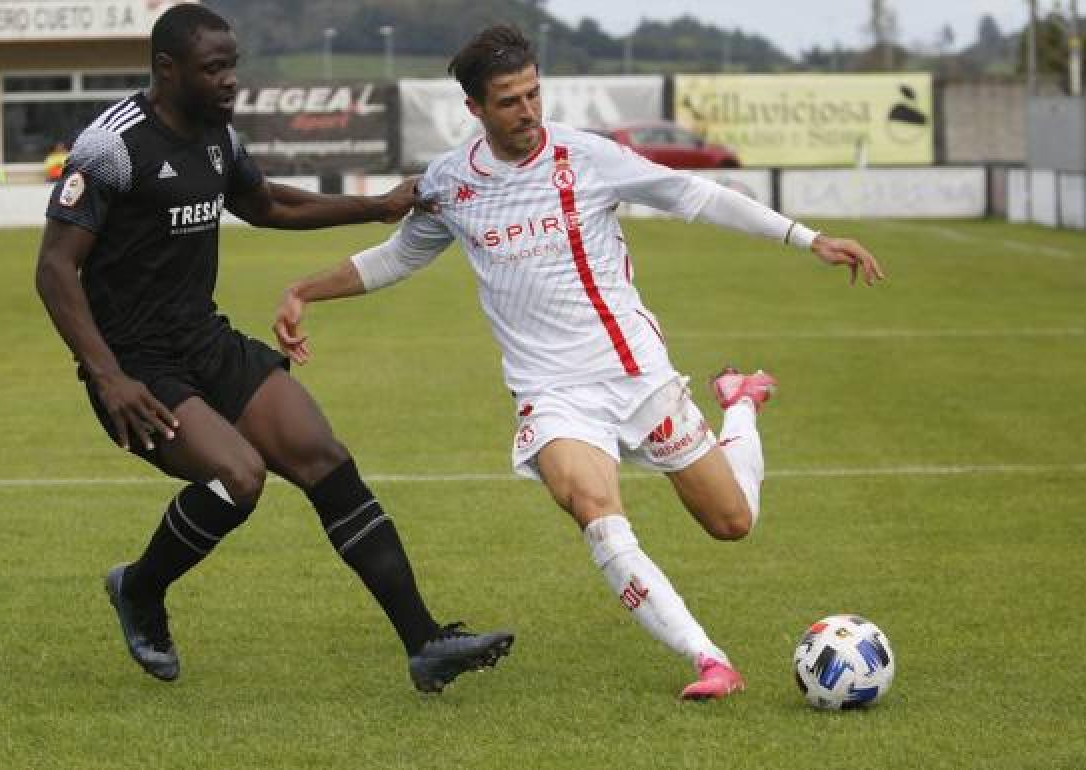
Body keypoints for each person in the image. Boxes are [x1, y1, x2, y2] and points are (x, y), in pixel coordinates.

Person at [273, 25, 884, 701]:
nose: (528, 110)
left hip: (636, 374)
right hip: (552, 394)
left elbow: (697, 196)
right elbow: (398, 255)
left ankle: (739, 402)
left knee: (731, 522)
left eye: (534, 93)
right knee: (596, 508)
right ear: (475, 109)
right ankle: (710, 660)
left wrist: (807, 237)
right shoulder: (451, 183)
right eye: (509, 100)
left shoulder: (587, 157)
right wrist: (305, 290)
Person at [34, 4, 512, 692]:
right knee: (239, 476)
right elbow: (54, 268)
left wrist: (374, 206)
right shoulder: (111, 146)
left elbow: (265, 206)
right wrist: (107, 377)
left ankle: (425, 643)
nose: (229, 80)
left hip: (203, 338)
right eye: (214, 68)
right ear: (167, 70)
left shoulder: (216, 133)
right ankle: (139, 589)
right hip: (134, 364)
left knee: (324, 457)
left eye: (233, 65)